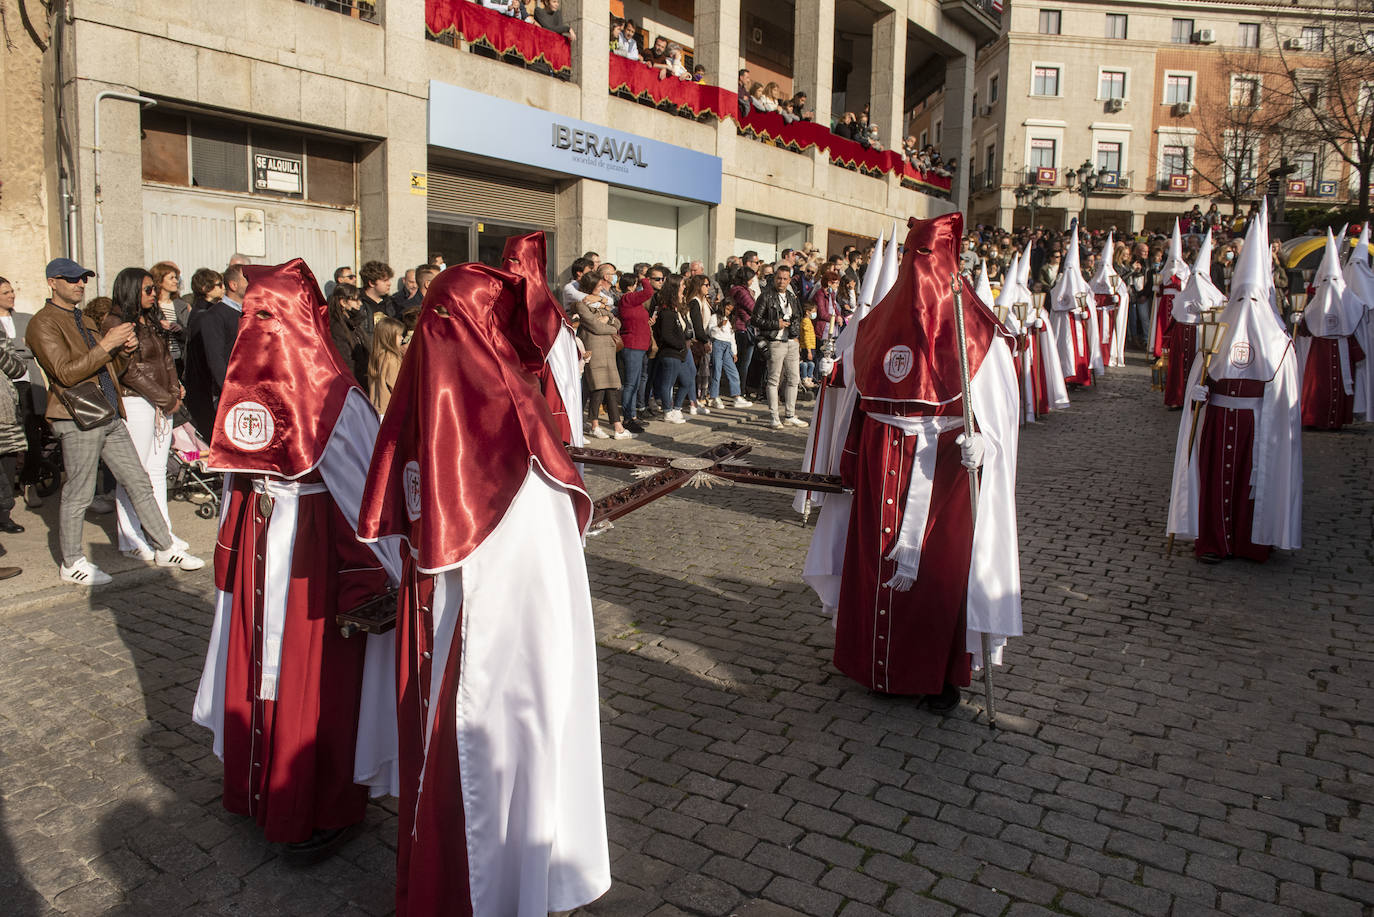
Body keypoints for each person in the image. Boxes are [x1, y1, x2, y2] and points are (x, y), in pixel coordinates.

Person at [356, 262, 610, 917]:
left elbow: (525, 576)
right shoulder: (443, 406)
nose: (427, 341)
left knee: (484, 769)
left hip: (492, 644)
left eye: (442, 324)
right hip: (453, 627)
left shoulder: (513, 432)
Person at [193, 258, 400, 864]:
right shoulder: (336, 395)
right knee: (307, 678)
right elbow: (372, 498)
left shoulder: (265, 393)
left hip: (277, 550)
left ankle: (269, 795)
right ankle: (306, 807)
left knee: (277, 670)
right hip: (311, 556)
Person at [805, 213, 1021, 710]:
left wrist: (984, 446)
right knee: (874, 567)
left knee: (937, 579)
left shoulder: (979, 336)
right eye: (910, 256)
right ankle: (873, 667)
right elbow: (855, 403)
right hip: (881, 463)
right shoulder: (877, 323)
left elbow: (999, 415)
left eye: (927, 257)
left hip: (943, 471)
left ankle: (937, 676)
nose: (917, 268)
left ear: (948, 262)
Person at [26, 258, 203, 585]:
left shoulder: (84, 321)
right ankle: (72, 561)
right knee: (78, 491)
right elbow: (65, 373)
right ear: (52, 282)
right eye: (71, 279)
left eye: (82, 278)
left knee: (139, 481)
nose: (79, 284)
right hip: (77, 414)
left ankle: (164, 546)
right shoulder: (43, 323)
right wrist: (109, 344)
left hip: (108, 410)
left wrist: (123, 351)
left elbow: (109, 367)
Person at [1167, 202, 1301, 564]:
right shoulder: (1218, 330)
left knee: (1249, 486)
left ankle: (1250, 541)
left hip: (1258, 427)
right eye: (1240, 297)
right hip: (1218, 420)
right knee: (1214, 481)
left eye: (1252, 298)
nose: (1245, 305)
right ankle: (1212, 541)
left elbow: (1286, 393)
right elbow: (1205, 368)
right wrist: (1199, 393)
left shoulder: (1278, 341)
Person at [104, 267, 198, 563]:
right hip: (136, 402)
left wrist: (174, 390)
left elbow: (167, 359)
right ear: (131, 289)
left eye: (153, 289)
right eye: (147, 289)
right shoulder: (115, 322)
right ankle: (130, 537)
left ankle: (162, 533)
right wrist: (164, 397)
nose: (153, 294)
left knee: (156, 471)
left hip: (161, 402)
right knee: (134, 473)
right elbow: (128, 371)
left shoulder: (152, 319)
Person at [501, 231, 586, 446]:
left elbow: (558, 377)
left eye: (515, 261)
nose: (508, 267)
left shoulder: (549, 314)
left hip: (539, 403)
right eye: (504, 260)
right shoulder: (500, 302)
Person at [1294, 230, 1365, 430]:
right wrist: (1301, 320)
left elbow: (1358, 309)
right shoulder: (1318, 301)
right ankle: (1314, 417)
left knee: (1338, 384)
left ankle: (1336, 419)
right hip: (1320, 350)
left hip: (1341, 345)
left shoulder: (1347, 297)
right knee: (1319, 385)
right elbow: (1306, 327)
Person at [0, 276, 47, 509]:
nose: (11, 295)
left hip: (27, 384)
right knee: (6, 443)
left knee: (32, 437)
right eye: (5, 292)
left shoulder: (26, 320)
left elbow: (36, 348)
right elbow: (20, 351)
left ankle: (30, 483)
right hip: (5, 390)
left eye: (11, 291)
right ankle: (6, 493)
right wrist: (21, 347)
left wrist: (13, 348)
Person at [183, 268, 240, 438]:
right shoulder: (206, 315)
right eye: (218, 284)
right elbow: (213, 358)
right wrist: (229, 389)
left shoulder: (211, 312)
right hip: (211, 391)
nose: (222, 288)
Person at [575, 272, 632, 439]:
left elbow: (617, 321)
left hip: (608, 348)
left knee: (611, 387)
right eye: (599, 286)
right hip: (594, 349)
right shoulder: (581, 305)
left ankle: (616, 426)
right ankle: (595, 424)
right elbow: (595, 327)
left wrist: (608, 318)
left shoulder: (601, 304)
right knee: (598, 387)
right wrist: (611, 326)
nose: (601, 289)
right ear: (590, 286)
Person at [753, 264, 806, 428]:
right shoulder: (766, 296)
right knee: (774, 379)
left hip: (791, 341)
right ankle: (774, 416)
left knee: (793, 379)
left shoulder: (791, 296)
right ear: (774, 279)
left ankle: (790, 414)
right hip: (775, 341)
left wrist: (795, 332)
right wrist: (777, 323)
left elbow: (798, 316)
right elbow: (755, 319)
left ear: (789, 280)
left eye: (784, 279)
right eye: (779, 278)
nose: (781, 281)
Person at [1048, 229, 1099, 387]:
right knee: (1064, 350)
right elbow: (1055, 304)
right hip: (1064, 324)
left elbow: (1090, 304)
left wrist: (1086, 313)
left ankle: (1080, 378)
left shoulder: (1084, 286)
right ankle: (1064, 377)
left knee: (1079, 351)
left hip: (1078, 323)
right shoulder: (1059, 284)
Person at [1157, 222, 1196, 407]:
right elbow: (1159, 288)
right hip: (1167, 303)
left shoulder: (1186, 272)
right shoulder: (1165, 271)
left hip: (1180, 305)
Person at [653, 275, 694, 424]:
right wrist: (680, 345)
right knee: (667, 382)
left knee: (687, 381)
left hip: (680, 353)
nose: (684, 288)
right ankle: (667, 411)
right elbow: (666, 334)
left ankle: (677, 409)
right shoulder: (667, 312)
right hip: (670, 353)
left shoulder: (676, 310)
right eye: (682, 285)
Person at [618, 275, 654, 433]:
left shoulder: (633, 301)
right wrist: (644, 279)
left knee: (635, 382)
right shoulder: (628, 298)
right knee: (630, 384)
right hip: (632, 345)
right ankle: (627, 418)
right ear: (632, 285)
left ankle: (632, 415)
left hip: (639, 346)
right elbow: (648, 292)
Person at [327, 282, 371, 387]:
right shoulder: (337, 327)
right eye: (356, 300)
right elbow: (345, 361)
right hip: (352, 383)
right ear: (343, 302)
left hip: (363, 380)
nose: (360, 304)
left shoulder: (354, 323)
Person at [150, 261, 187, 371]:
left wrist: (180, 329)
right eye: (171, 278)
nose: (176, 281)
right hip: (160, 360)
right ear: (159, 281)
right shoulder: (151, 306)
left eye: (176, 278)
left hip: (179, 359)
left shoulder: (182, 305)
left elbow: (190, 334)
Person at [368, 317, 406, 416]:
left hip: (374, 409)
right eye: (400, 335)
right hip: (390, 411)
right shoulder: (392, 358)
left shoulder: (376, 356)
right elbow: (396, 387)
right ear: (390, 336)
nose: (402, 338)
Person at [358, 261, 393, 327]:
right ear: (371, 283)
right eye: (385, 280)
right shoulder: (357, 303)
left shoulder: (392, 303)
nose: (389, 284)